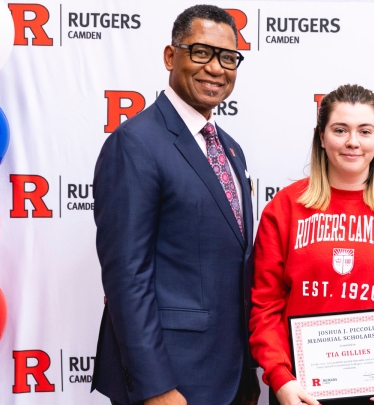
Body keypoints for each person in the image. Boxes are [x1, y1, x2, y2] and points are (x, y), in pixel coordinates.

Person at [92, 5, 258, 405]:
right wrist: (156, 387)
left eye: (228, 57)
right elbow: (127, 277)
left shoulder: (230, 149)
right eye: (200, 52)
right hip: (171, 381)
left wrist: (248, 375)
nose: (216, 68)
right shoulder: (135, 143)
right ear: (171, 56)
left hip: (229, 377)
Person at [249, 84, 374, 405]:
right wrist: (280, 379)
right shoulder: (284, 209)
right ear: (321, 136)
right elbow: (266, 307)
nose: (352, 142)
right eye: (340, 130)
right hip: (301, 393)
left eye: (365, 131)